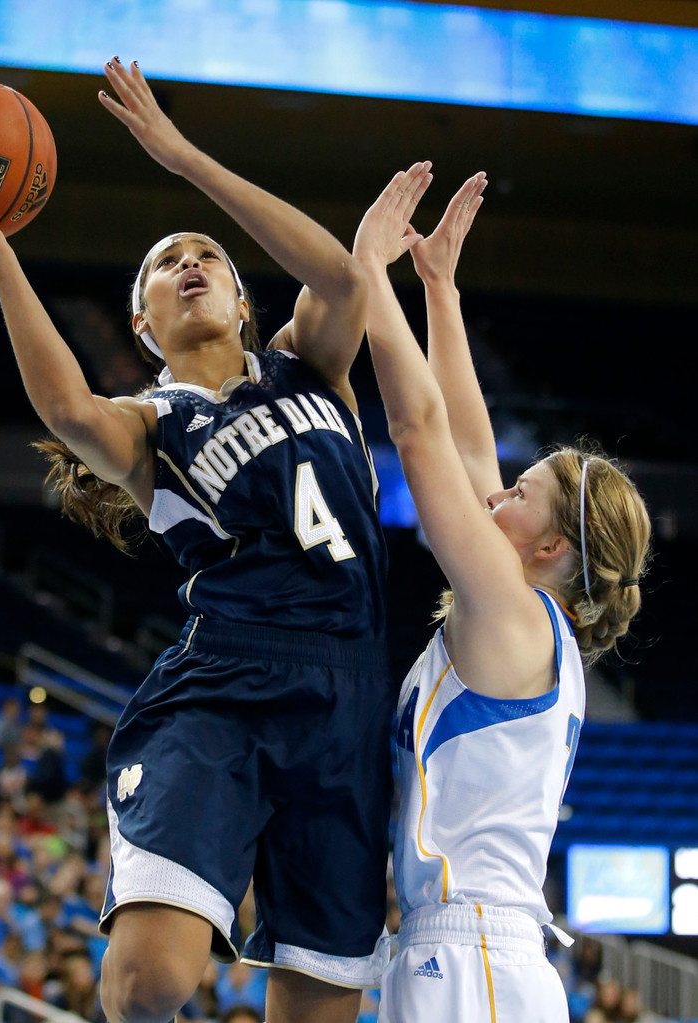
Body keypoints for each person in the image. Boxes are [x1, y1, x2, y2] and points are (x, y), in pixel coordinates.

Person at [0, 56, 392, 1023]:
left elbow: (339, 272)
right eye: (165, 262)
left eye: (206, 254)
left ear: (247, 302)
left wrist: (181, 158)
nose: (189, 263)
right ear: (142, 319)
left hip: (351, 691)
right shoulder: (150, 422)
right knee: (148, 984)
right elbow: (67, 407)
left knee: (318, 1008)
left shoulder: (310, 367)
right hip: (228, 679)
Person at [352, 163, 650, 1023]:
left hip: (472, 955)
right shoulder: (522, 619)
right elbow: (470, 449)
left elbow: (419, 433)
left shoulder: (515, 617)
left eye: (520, 495)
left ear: (550, 547)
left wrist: (370, 277)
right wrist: (438, 290)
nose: (497, 494)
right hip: (471, 953)